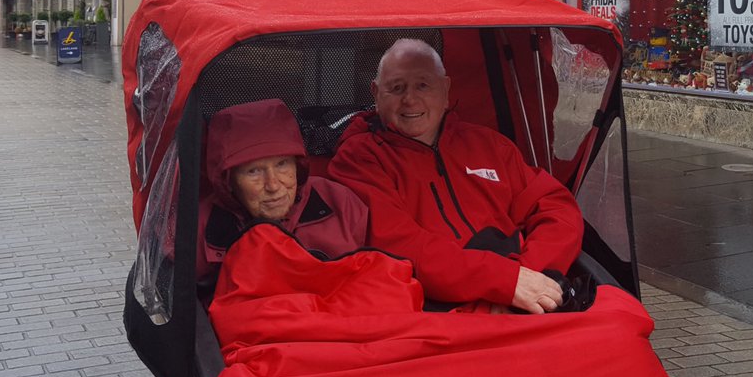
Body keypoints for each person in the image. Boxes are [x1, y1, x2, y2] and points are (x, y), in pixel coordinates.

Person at [328, 38, 584, 314]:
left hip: (522, 297)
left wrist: (527, 276)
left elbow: (558, 208)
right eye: (396, 87)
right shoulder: (358, 159)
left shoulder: (489, 145)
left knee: (623, 325)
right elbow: (400, 246)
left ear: (446, 90)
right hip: (428, 308)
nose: (410, 99)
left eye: (423, 85)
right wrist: (504, 283)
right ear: (376, 94)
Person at [197, 98, 368, 287]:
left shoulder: (339, 201)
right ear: (228, 180)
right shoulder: (201, 227)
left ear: (297, 165)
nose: (273, 185)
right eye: (253, 171)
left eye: (282, 164)